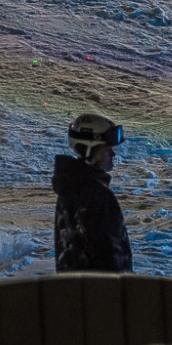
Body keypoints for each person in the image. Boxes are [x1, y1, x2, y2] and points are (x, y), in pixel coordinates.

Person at [53, 113, 132, 273]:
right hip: (100, 293)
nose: (113, 154)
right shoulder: (97, 195)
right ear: (90, 149)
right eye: (107, 148)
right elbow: (108, 254)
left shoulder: (70, 187)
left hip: (78, 291)